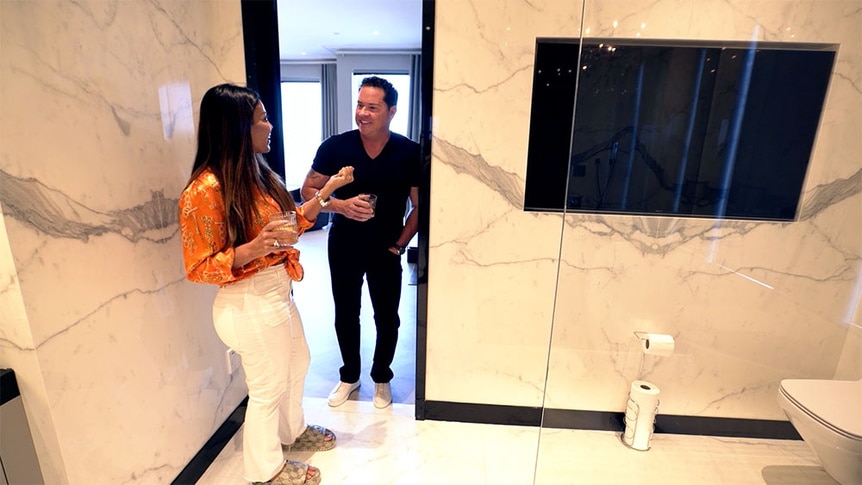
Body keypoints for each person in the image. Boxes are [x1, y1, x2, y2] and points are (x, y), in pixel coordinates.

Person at [179, 83, 354, 485]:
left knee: (299, 362)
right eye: (262, 119)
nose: (269, 125)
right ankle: (265, 471)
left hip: (277, 292)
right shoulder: (204, 190)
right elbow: (200, 266)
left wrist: (326, 193)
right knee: (267, 387)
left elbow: (291, 223)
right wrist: (255, 247)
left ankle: (290, 434)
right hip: (247, 301)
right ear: (237, 127)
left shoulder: (256, 174)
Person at [301, 76, 420, 409]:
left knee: (387, 316)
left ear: (391, 111)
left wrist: (399, 244)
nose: (363, 113)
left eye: (372, 107)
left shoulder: (409, 152)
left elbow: (419, 205)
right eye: (359, 105)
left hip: (386, 247)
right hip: (343, 243)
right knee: (345, 313)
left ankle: (381, 377)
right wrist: (339, 205)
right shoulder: (335, 147)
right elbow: (309, 192)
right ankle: (350, 376)